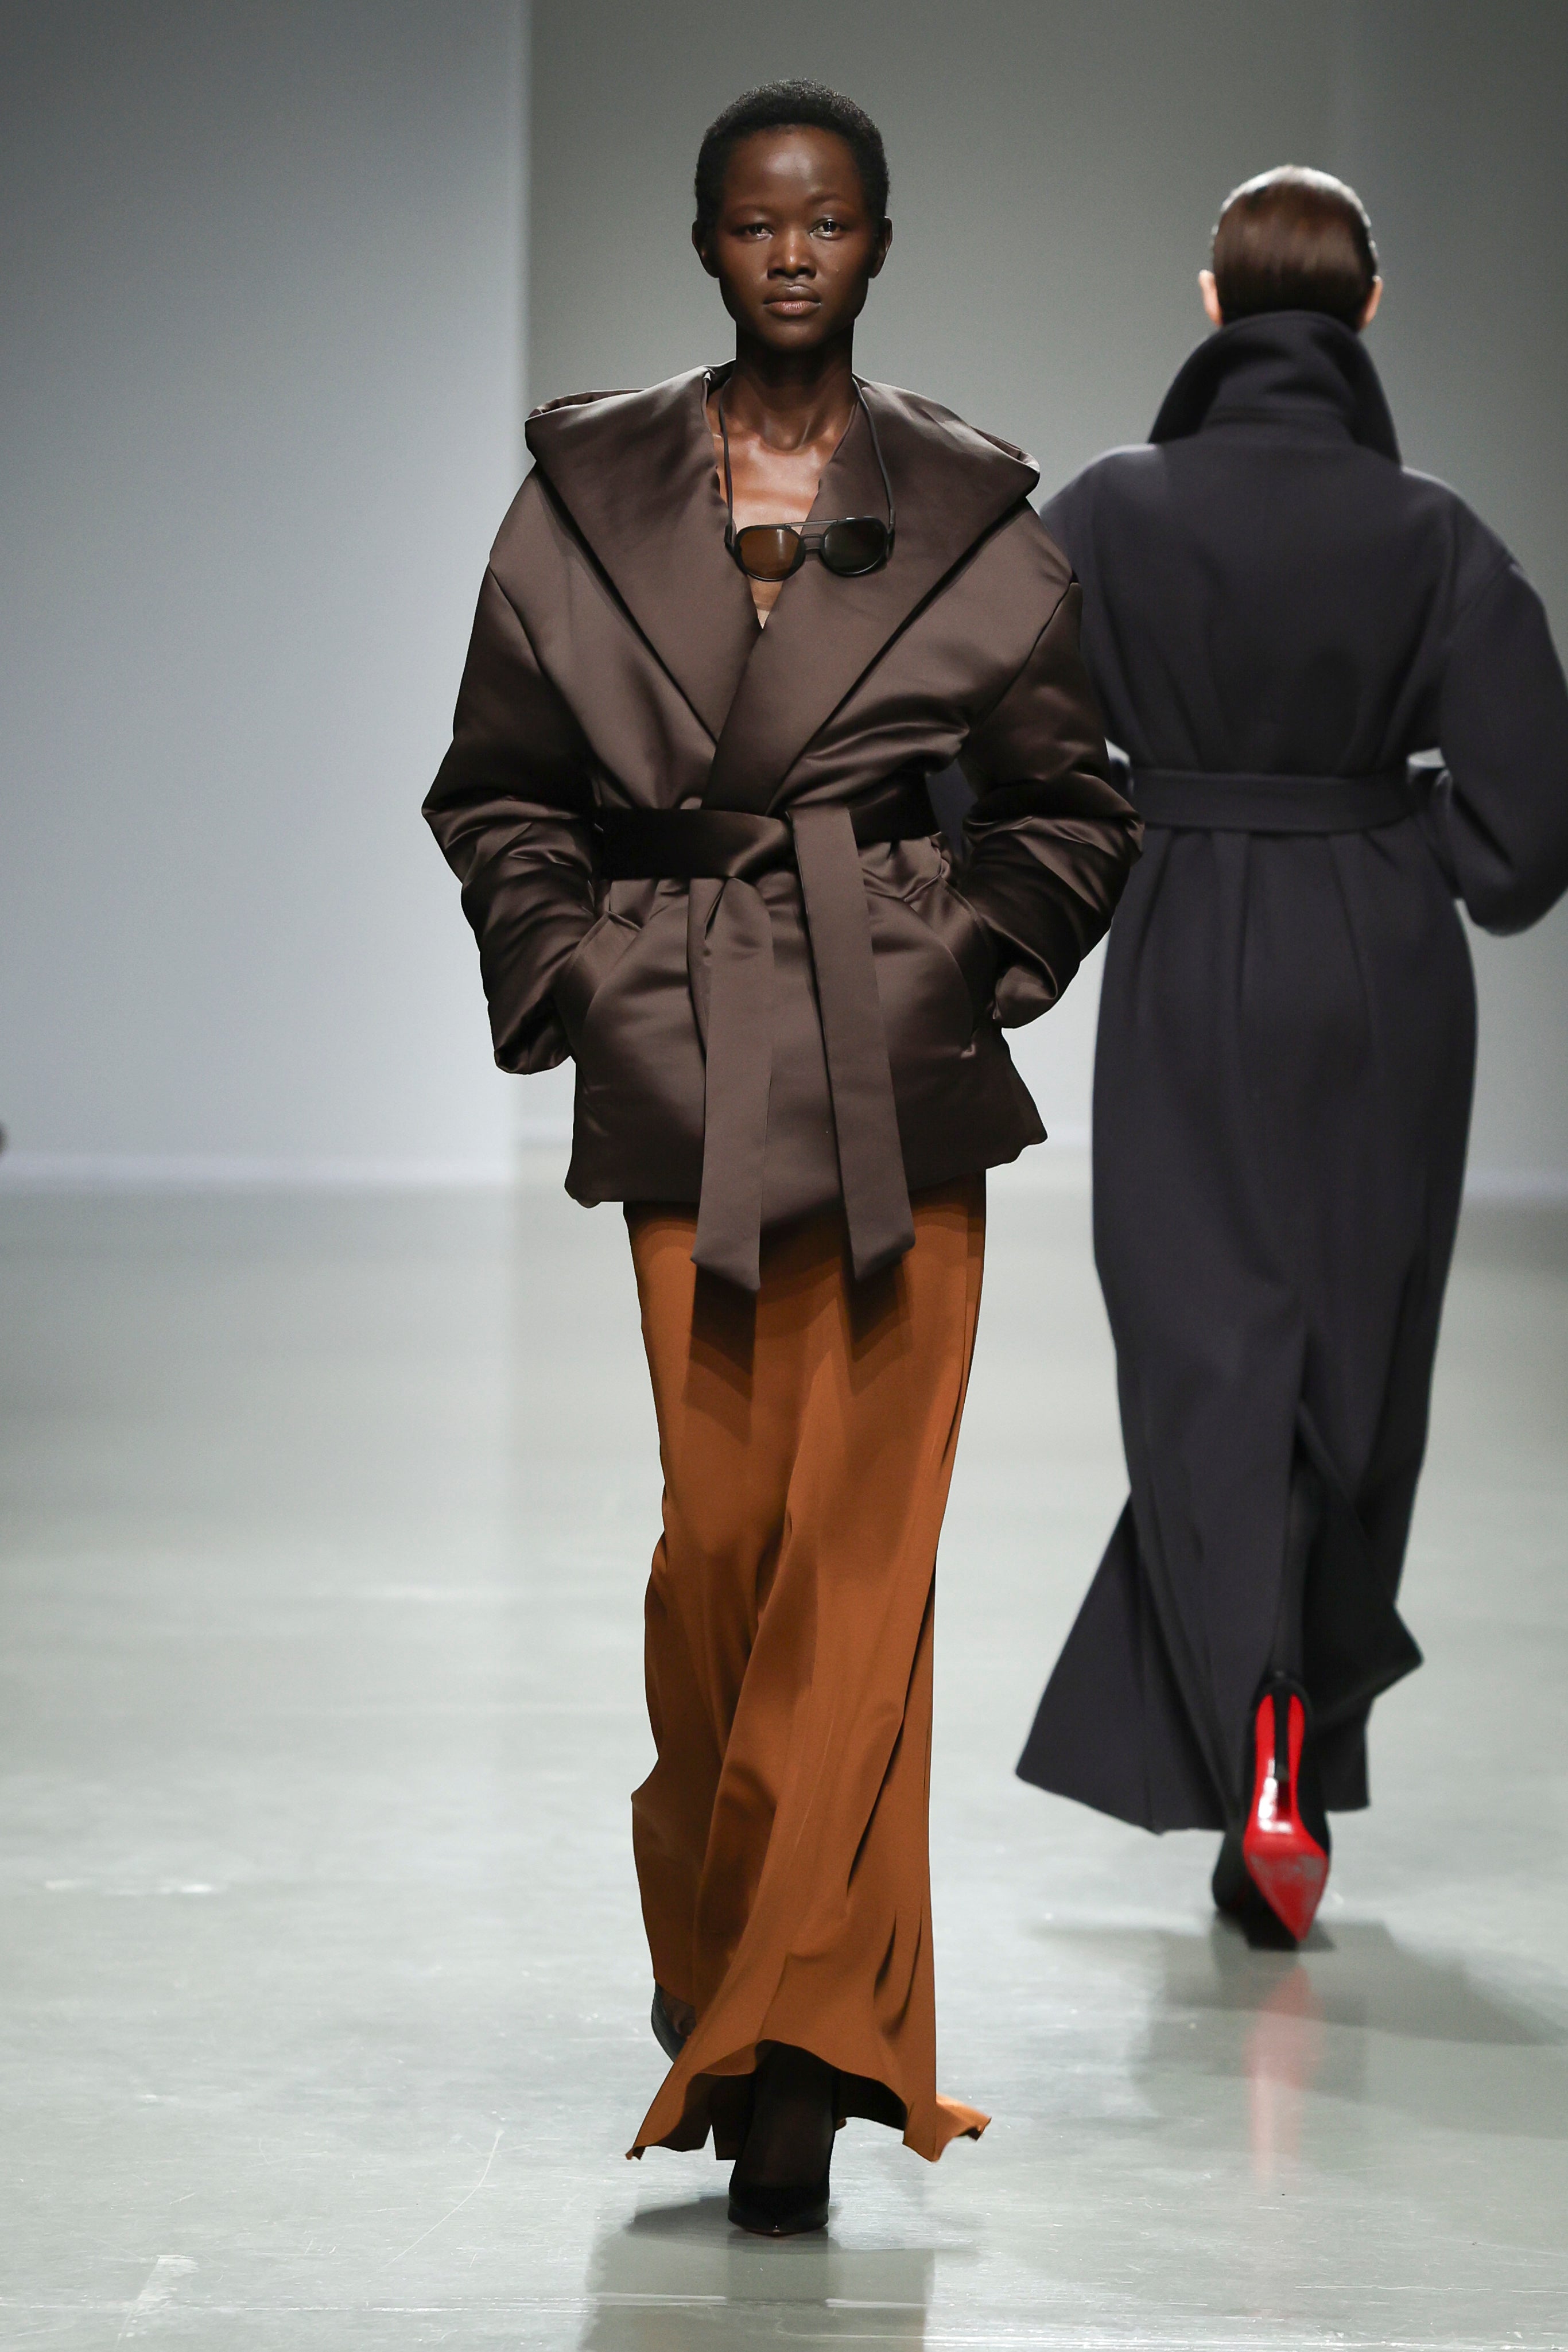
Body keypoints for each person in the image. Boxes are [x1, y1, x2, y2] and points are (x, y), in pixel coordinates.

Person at [425, 81, 1138, 2232]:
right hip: (685, 1052)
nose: (794, 253)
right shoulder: (586, 500)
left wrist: (969, 958)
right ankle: (722, 1940)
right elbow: (496, 782)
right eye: (757, 223)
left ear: (880, 240)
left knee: (861, 1544)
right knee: (723, 1541)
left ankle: (808, 2037)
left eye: (827, 221)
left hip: (889, 1054)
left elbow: (1073, 796)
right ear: (706, 244)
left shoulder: (967, 507)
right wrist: (573, 970)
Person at [1017, 166, 1568, 1944]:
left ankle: (1245, 1717)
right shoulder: (1434, 534)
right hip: (1379, 968)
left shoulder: (1106, 511)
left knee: (1204, 1363)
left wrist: (1109, 841)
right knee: (1349, 1373)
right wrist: (1400, 838)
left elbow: (980, 739)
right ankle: (1292, 1757)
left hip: (1184, 948)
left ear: (1209, 303)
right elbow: (1525, 841)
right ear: (1366, 310)